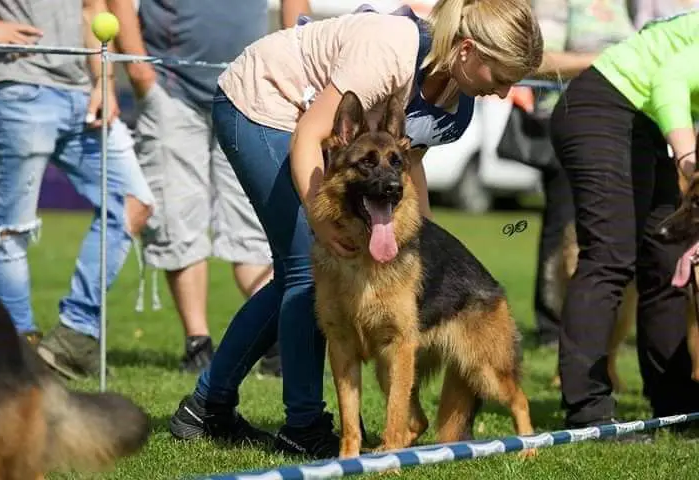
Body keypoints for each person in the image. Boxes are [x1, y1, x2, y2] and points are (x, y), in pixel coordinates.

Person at [168, 0, 543, 459]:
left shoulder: (456, 107)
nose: (504, 94)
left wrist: (421, 243)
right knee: (306, 270)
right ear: (468, 50)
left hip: (311, 123)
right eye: (501, 78)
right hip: (264, 102)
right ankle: (303, 426)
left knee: (299, 274)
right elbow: (309, 134)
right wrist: (320, 221)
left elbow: (408, 171)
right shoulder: (391, 49)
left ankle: (207, 407)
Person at [107, 0, 309, 374]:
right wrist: (138, 70)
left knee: (259, 223)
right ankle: (197, 344)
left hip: (252, 87)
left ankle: (277, 339)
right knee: (177, 217)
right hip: (170, 89)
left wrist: (294, 64)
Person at [0, 0, 154, 378]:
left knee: (133, 201)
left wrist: (104, 83)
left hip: (81, 91)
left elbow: (92, 10)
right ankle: (17, 349)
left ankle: (74, 336)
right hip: (17, 86)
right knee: (11, 229)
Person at [551, 10, 699, 431]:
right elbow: (670, 80)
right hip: (601, 105)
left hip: (644, 122)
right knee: (610, 255)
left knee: (668, 263)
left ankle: (677, 407)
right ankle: (588, 409)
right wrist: (688, 159)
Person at [527, 0, 637, 348]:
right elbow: (539, 62)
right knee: (565, 234)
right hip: (569, 121)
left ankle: (604, 339)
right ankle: (554, 328)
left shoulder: (622, 4)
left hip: (621, 126)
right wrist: (602, 64)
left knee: (608, 239)